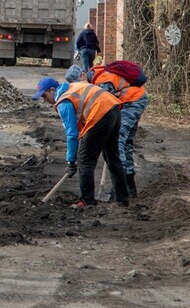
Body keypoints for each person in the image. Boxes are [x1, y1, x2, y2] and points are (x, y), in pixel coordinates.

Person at [34, 77, 129, 208]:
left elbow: (72, 134)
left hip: (100, 114)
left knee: (85, 161)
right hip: (113, 109)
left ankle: (87, 200)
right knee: (112, 157)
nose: (45, 100)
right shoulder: (72, 87)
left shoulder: (63, 101)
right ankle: (122, 200)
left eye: (44, 96)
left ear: (52, 90)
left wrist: (71, 161)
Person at [90, 64, 148, 197]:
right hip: (134, 100)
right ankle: (130, 187)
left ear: (83, 76)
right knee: (126, 143)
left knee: (118, 142)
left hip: (132, 102)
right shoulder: (100, 74)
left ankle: (121, 187)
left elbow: (107, 107)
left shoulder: (102, 81)